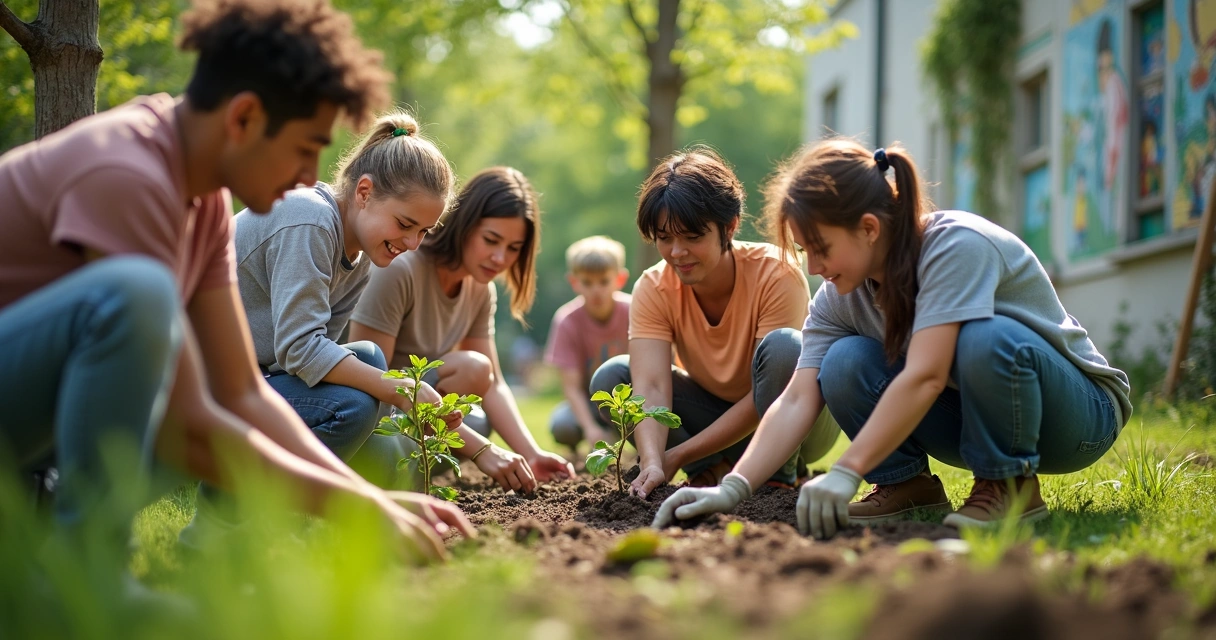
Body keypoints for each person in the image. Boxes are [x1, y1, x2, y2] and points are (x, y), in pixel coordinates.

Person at [0, 0, 470, 566]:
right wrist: (354, 505)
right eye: (304, 148)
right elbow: (188, 416)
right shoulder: (126, 173)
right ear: (244, 117)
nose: (307, 175)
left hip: (43, 419)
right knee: (138, 293)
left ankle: (53, 519)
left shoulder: (206, 208)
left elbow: (241, 392)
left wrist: (372, 499)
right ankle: (85, 564)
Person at [653, 139, 1131, 540]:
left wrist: (846, 469)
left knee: (985, 336)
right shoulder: (840, 295)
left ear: (868, 228)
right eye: (804, 251)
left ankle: (1010, 486)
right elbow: (797, 397)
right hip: (974, 416)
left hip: (1076, 420)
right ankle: (905, 485)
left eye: (820, 249)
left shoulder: (956, 246)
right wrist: (733, 488)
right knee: (842, 361)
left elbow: (925, 375)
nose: (813, 267)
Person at [590, 147, 839, 500]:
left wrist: (678, 454)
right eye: (664, 238)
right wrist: (652, 461)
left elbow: (773, 389)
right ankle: (714, 470)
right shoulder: (653, 286)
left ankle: (777, 477)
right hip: (714, 413)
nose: (677, 252)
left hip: (797, 414)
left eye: (692, 237)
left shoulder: (776, 272)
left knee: (786, 347)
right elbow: (652, 385)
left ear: (730, 226)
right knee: (615, 379)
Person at [350, 167, 575, 492]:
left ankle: (414, 458)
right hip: (379, 410)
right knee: (473, 397)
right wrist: (482, 449)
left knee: (478, 403)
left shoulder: (480, 289)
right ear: (464, 225)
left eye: (513, 248)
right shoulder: (402, 269)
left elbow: (493, 383)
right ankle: (390, 461)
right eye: (491, 240)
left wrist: (531, 452)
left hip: (426, 417)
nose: (500, 258)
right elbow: (373, 379)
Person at [544, 235, 631, 451]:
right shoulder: (566, 321)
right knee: (562, 425)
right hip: (588, 404)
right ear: (574, 282)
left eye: (603, 281)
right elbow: (571, 388)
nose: (596, 290)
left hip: (630, 403)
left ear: (620, 279)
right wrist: (591, 428)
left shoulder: (635, 311)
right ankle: (577, 453)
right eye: (587, 282)